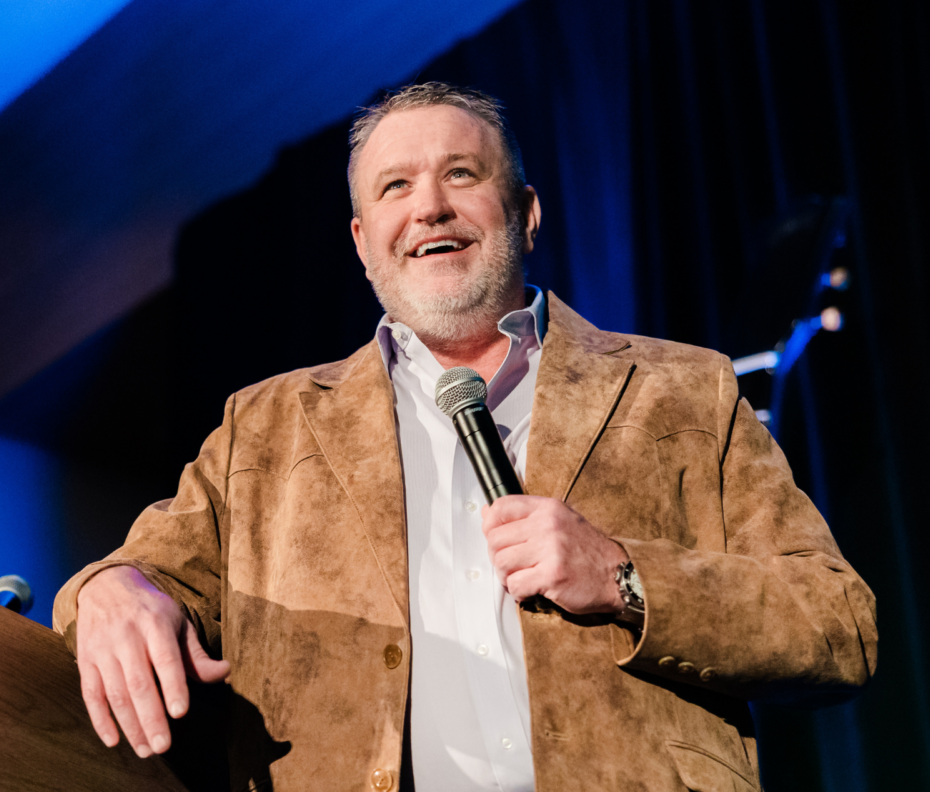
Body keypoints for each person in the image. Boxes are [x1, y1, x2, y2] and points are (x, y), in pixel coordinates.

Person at [53, 82, 877, 792]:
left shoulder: (681, 390)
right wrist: (111, 588)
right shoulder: (265, 426)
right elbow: (148, 575)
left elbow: (839, 624)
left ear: (524, 209)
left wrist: (624, 576)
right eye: (394, 186)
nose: (428, 206)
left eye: (460, 174)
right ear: (361, 241)